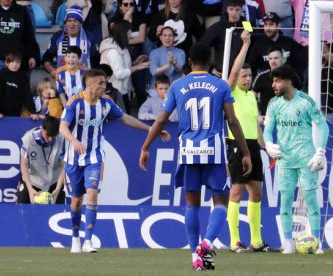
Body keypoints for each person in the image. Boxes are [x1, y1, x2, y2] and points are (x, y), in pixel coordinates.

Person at [139, 43, 252, 271]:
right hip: (214, 152)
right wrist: (245, 152)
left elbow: (161, 120)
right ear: (210, 62)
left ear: (189, 61)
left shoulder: (178, 85)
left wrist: (145, 146)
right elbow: (232, 121)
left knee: (192, 204)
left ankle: (195, 257)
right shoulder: (220, 85)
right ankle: (207, 244)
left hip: (188, 151)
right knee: (221, 201)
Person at [60, 68, 170, 253]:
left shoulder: (106, 103)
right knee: (76, 201)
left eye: (105, 82)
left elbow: (125, 118)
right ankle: (75, 238)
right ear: (89, 84)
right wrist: (74, 141)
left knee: (93, 193)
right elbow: (62, 127)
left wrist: (152, 130)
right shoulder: (74, 102)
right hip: (73, 158)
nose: (105, 86)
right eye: (101, 83)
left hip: (94, 156)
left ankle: (88, 240)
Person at [263, 65, 329, 254]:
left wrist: (320, 152)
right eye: (273, 81)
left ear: (288, 81)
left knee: (310, 198)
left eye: (277, 81)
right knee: (285, 200)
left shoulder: (306, 102)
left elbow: (323, 127)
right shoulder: (274, 103)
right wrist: (268, 144)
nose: (273, 85)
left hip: (306, 158)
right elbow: (268, 128)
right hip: (284, 160)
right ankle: (288, 242)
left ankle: (316, 241)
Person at [225, 31, 271, 253]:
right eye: (244, 76)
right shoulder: (230, 91)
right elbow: (233, 71)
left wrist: (266, 148)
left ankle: (257, 240)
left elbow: (255, 125)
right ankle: (234, 240)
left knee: (257, 192)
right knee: (236, 191)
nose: (247, 78)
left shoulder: (252, 96)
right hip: (236, 144)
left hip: (253, 145)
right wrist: (245, 44)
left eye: (249, 75)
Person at [99, 20, 150, 114]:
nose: (132, 35)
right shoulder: (113, 52)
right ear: (123, 33)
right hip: (114, 94)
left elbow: (123, 67)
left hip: (123, 92)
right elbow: (119, 74)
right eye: (129, 31)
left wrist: (135, 63)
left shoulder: (122, 47)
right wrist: (137, 67)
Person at [17, 116, 66, 204]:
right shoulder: (28, 139)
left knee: (57, 209)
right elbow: (23, 165)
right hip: (33, 181)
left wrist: (58, 189)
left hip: (54, 182)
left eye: (53, 136)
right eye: (48, 136)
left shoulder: (62, 139)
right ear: (42, 128)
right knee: (22, 208)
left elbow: (63, 166)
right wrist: (30, 189)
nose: (50, 139)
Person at [247, 12, 306, 78]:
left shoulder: (289, 42)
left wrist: (294, 78)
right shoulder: (259, 45)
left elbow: (300, 63)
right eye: (266, 25)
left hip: (288, 82)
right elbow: (251, 67)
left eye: (271, 24)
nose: (268, 28)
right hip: (267, 83)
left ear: (278, 26)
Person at [200, 0, 251, 77]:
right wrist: (210, 68)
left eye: (237, 9)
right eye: (231, 9)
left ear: (241, 10)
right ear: (227, 9)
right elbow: (201, 47)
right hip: (222, 74)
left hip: (242, 73)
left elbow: (255, 45)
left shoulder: (247, 25)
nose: (234, 13)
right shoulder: (218, 27)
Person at [42, 5, 92, 74]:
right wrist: (53, 71)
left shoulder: (89, 37)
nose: (72, 24)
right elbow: (46, 58)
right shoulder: (57, 36)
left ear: (80, 24)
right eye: (69, 21)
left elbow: (96, 59)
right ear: (66, 24)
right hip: (62, 80)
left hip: (85, 81)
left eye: (75, 21)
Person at [0, 52, 38, 120]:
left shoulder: (23, 76)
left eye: (18, 62)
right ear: (6, 62)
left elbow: (27, 94)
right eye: (12, 62)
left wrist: (32, 111)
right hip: (1, 114)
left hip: (17, 112)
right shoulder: (1, 74)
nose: (15, 65)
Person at [148, 25, 185, 97]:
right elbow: (154, 72)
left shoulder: (180, 52)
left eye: (170, 35)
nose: (167, 38)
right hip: (157, 89)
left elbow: (181, 70)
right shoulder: (154, 52)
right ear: (160, 37)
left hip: (174, 88)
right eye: (165, 35)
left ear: (174, 38)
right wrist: (168, 65)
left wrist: (174, 62)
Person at [252, 46, 284, 123]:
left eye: (276, 58)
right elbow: (251, 97)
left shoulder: (290, 76)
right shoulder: (262, 76)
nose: (273, 61)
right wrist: (257, 115)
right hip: (267, 121)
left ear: (282, 59)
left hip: (286, 122)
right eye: (270, 59)